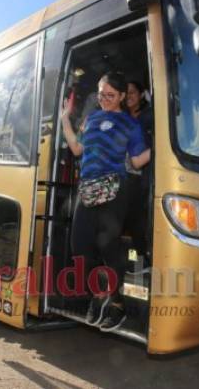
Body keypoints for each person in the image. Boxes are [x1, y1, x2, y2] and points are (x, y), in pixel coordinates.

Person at [61, 72, 150, 332]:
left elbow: (135, 161)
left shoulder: (129, 124)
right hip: (87, 188)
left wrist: (158, 146)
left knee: (108, 246)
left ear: (123, 96)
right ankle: (99, 295)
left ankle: (117, 304)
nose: (104, 99)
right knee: (80, 248)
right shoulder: (92, 118)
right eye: (101, 94)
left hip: (115, 188)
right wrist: (66, 118)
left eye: (110, 95)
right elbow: (77, 149)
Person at [124, 81, 153, 262]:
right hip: (125, 175)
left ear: (142, 94)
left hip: (143, 176)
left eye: (132, 92)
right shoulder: (122, 116)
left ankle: (140, 260)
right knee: (126, 223)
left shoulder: (150, 115)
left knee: (139, 223)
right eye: (125, 93)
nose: (128, 96)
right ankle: (131, 259)